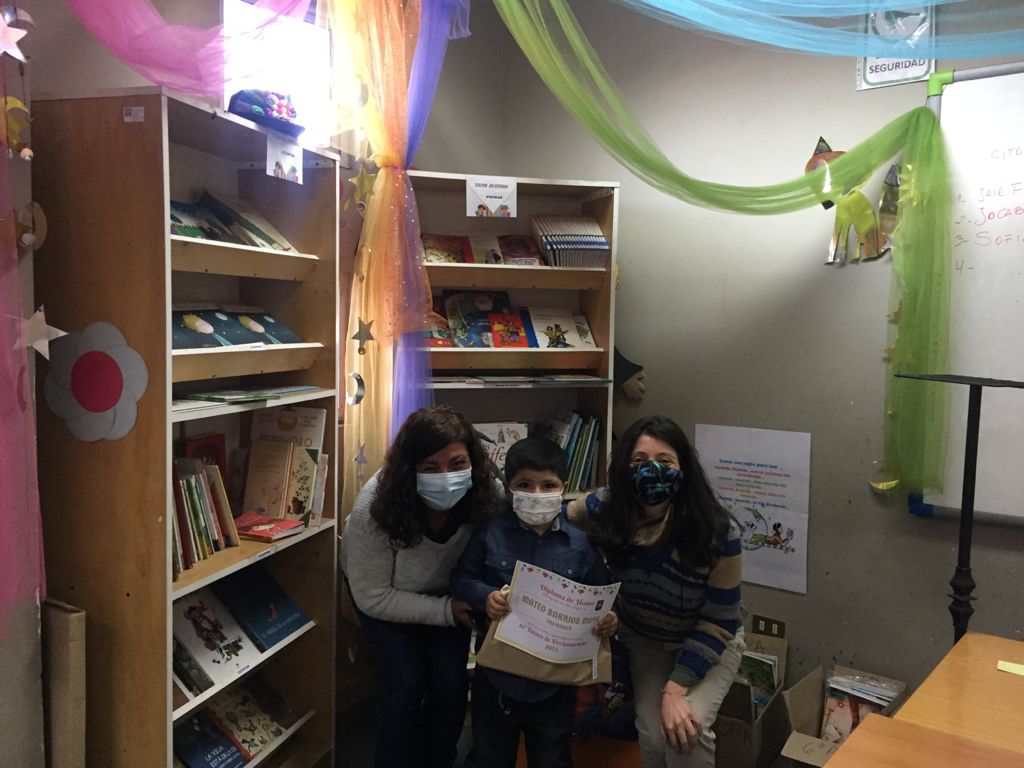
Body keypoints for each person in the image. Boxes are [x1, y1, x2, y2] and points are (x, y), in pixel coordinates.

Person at [567, 416, 744, 768]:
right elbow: (563, 516)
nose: (652, 470)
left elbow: (719, 621)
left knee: (685, 732)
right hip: (645, 639)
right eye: (639, 461)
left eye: (664, 461)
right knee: (651, 734)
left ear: (684, 468)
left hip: (707, 641)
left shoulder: (717, 532)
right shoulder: (609, 508)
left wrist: (675, 690)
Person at [339, 405, 500, 768]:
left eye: (457, 463)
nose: (446, 476)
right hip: (384, 598)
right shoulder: (373, 508)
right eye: (430, 467)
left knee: (451, 684)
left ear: (472, 460)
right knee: (405, 684)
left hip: (450, 596)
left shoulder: (488, 493)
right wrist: (446, 611)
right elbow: (372, 596)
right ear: (409, 468)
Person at [451, 437, 619, 768]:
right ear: (508, 490)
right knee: (489, 757)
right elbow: (461, 579)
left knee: (552, 758)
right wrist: (485, 597)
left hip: (555, 684)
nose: (537, 493)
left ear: (563, 489)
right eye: (525, 485)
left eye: (548, 485)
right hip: (497, 676)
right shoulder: (490, 533)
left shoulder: (580, 544)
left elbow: (602, 597)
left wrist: (609, 620)